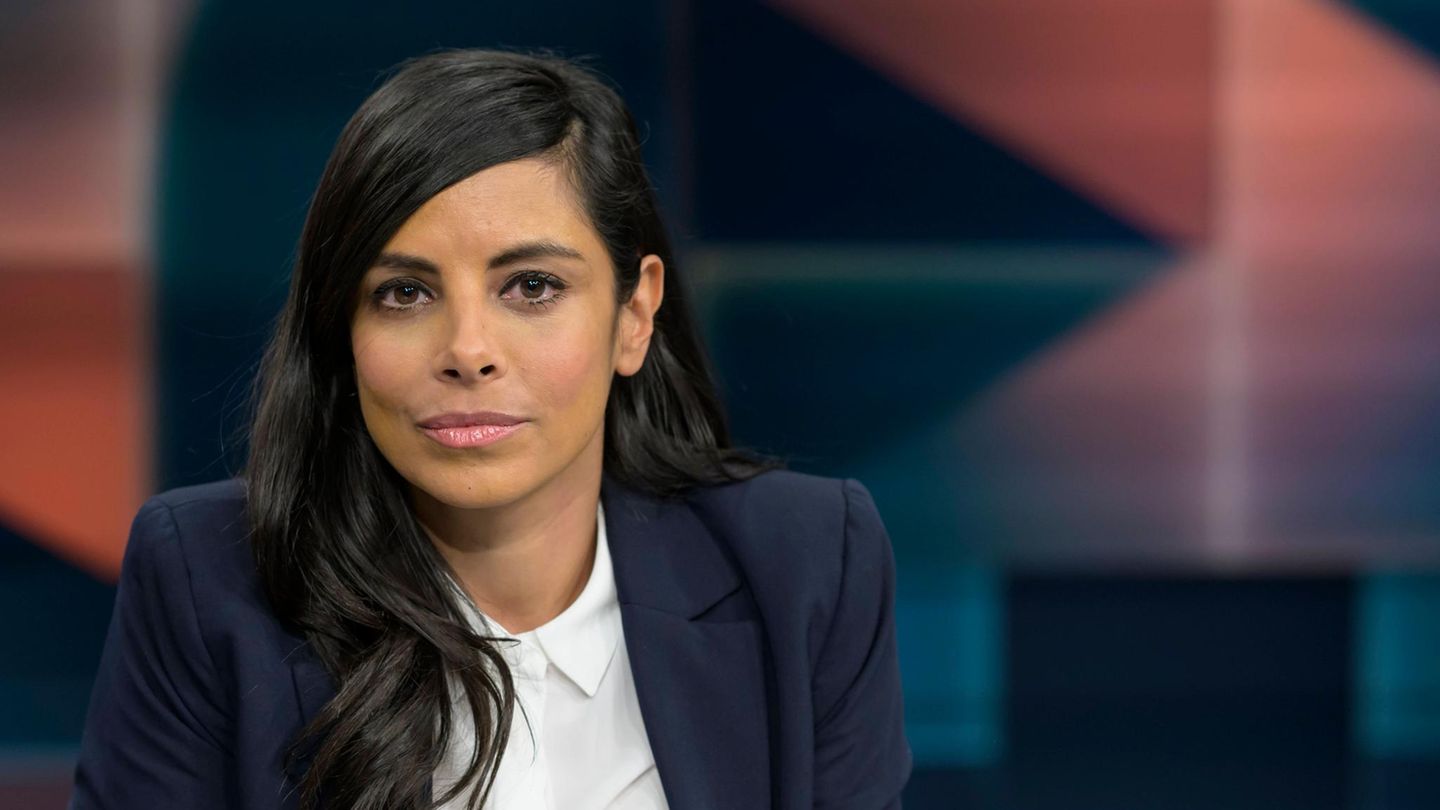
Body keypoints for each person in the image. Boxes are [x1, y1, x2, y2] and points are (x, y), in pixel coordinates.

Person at [69, 48, 911, 810]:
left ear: (634, 315)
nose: (468, 351)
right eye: (404, 293)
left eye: (532, 287)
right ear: (342, 331)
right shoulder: (204, 580)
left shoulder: (806, 564)